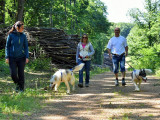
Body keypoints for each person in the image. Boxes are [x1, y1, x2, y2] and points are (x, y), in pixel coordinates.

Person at [5, 21, 29, 92]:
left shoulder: (23, 36)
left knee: (21, 74)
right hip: (12, 58)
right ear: (17, 28)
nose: (23, 29)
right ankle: (18, 85)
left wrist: (27, 57)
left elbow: (26, 47)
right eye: (22, 27)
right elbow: (7, 46)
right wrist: (7, 57)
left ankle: (21, 89)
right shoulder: (11, 35)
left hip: (21, 58)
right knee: (13, 75)